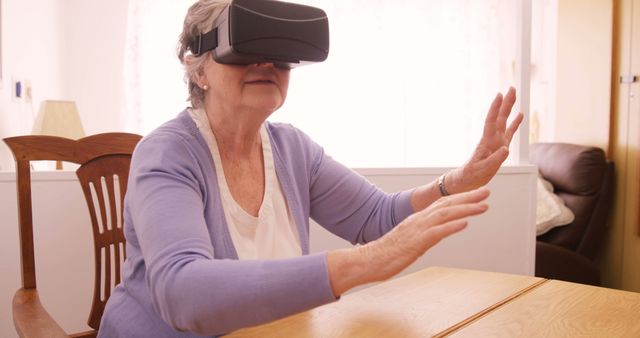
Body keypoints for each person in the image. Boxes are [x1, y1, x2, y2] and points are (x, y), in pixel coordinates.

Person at [98, 0, 524, 337]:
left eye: (280, 54)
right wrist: (363, 264)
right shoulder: (167, 154)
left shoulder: (292, 148)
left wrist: (455, 182)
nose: (266, 63)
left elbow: (377, 217)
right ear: (199, 68)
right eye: (246, 48)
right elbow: (182, 293)